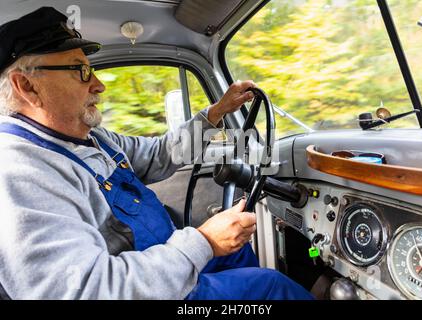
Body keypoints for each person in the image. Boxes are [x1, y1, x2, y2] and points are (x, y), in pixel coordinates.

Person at [0, 6, 313, 300]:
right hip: (153, 287)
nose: (98, 85)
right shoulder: (20, 172)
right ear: (27, 86)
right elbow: (87, 290)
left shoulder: (90, 138)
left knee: (238, 251)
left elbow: (158, 154)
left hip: (166, 265)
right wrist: (202, 243)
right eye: (80, 71)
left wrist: (215, 114)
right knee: (272, 287)